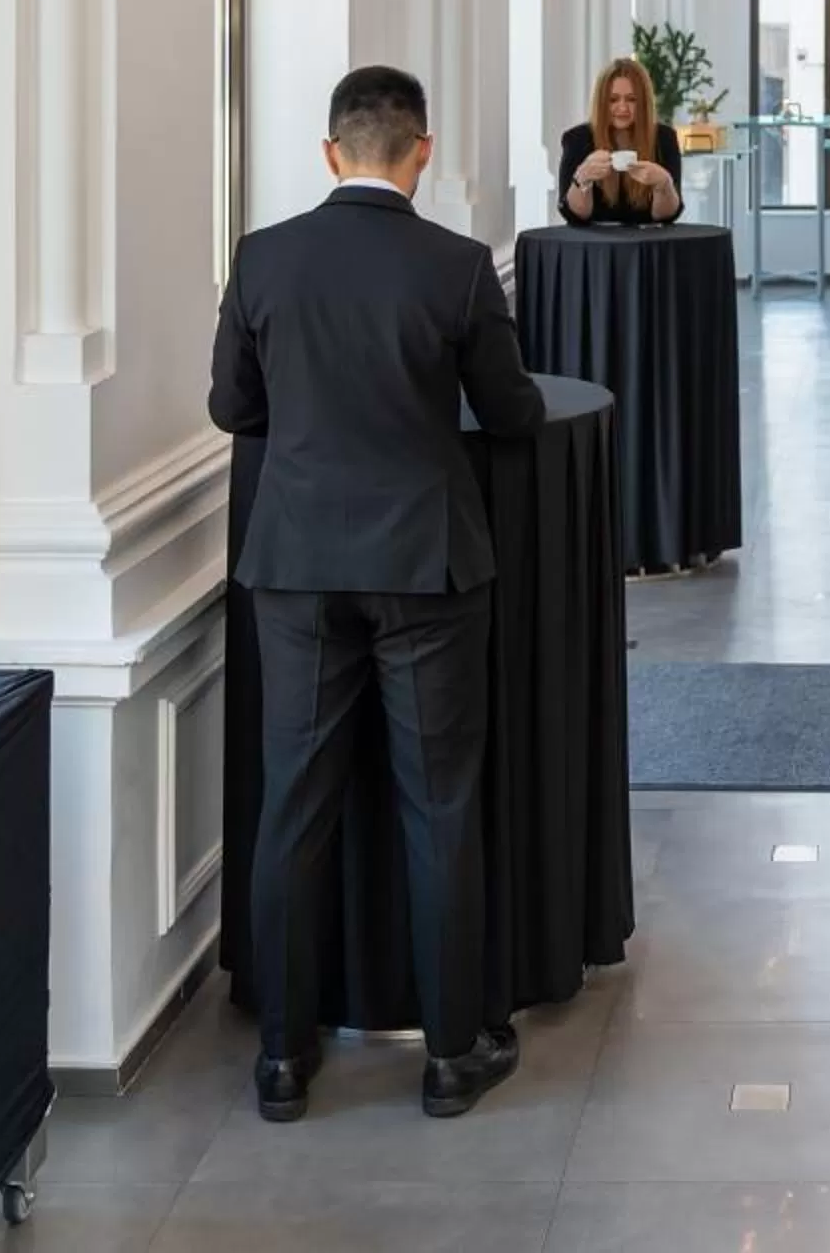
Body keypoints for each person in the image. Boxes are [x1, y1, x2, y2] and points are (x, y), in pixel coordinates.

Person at [208, 65, 546, 1126]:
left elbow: (232, 408)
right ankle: (451, 1056)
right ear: (422, 150)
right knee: (437, 806)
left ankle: (280, 1059)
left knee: (291, 807)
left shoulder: (264, 256)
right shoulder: (453, 266)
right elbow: (510, 412)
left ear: (328, 152)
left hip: (297, 564)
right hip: (424, 565)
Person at [559, 57, 682, 227]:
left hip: (648, 245)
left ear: (643, 103)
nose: (623, 108)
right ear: (602, 102)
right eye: (613, 100)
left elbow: (666, 217)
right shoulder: (577, 139)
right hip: (594, 245)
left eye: (632, 99)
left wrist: (664, 184)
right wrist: (583, 178)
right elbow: (575, 216)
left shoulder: (664, 138)